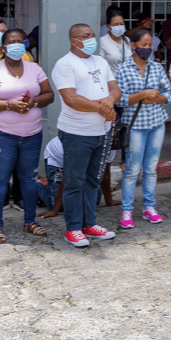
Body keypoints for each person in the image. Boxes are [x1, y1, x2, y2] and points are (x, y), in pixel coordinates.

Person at [0, 29, 54, 244]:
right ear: (4, 46)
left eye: (21, 41)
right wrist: (8, 104)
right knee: (0, 181)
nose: (17, 44)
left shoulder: (34, 68)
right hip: (3, 136)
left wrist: (34, 102)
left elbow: (49, 95)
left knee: (29, 180)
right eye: (12, 41)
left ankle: (29, 221)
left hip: (32, 135)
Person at [51, 24, 120, 247]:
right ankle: (72, 228)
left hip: (102, 132)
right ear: (74, 40)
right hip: (76, 133)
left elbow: (114, 89)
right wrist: (102, 109)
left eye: (93, 35)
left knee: (93, 181)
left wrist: (109, 102)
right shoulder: (65, 64)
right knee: (74, 181)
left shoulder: (100, 61)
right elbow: (71, 98)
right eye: (87, 36)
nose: (93, 39)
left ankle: (89, 224)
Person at [115, 29, 171, 228]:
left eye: (150, 45)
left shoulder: (156, 68)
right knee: (132, 169)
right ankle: (127, 210)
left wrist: (155, 98)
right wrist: (143, 95)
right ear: (133, 46)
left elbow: (170, 93)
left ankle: (149, 207)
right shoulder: (123, 69)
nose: (147, 49)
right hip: (135, 126)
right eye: (143, 45)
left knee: (151, 168)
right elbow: (120, 99)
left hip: (157, 123)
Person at [99, 10, 132, 74]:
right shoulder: (103, 41)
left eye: (121, 24)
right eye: (115, 24)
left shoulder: (126, 40)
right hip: (112, 81)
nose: (119, 27)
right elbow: (101, 64)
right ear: (109, 26)